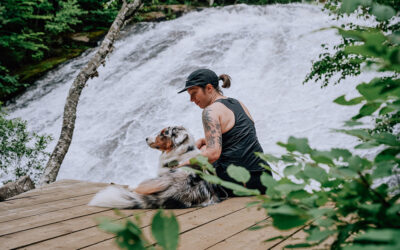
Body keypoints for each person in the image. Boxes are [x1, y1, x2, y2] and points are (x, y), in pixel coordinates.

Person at [177, 68, 271, 197]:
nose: (191, 99)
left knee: (191, 175)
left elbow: (213, 154)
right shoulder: (238, 103)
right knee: (204, 147)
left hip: (240, 181)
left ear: (209, 88)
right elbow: (239, 137)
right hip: (263, 176)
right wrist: (204, 141)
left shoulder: (210, 111)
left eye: (194, 93)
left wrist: (182, 166)